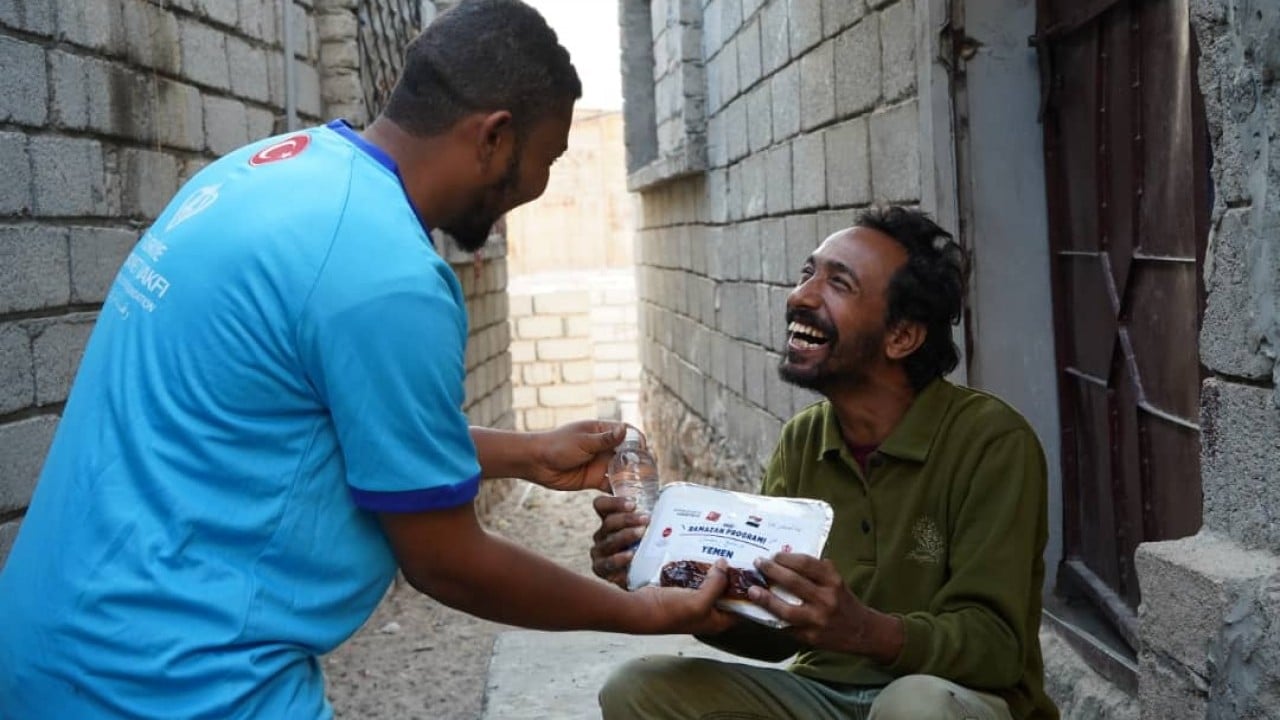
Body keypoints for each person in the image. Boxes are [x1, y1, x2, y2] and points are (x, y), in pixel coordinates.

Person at [0, 2, 734, 718]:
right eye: (549, 158)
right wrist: (641, 613)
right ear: (496, 138)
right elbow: (447, 561)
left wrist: (528, 454)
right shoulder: (391, 279)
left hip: (55, 645)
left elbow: (304, 423)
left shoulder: (264, 171)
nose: (541, 187)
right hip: (175, 683)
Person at [590, 207, 1060, 719]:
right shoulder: (803, 440)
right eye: (806, 274)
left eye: (839, 284)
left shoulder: (991, 442)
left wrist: (865, 630)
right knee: (637, 689)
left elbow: (997, 647)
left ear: (901, 336)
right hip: (822, 695)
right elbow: (773, 633)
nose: (801, 297)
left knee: (915, 705)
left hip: (951, 699)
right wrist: (673, 582)